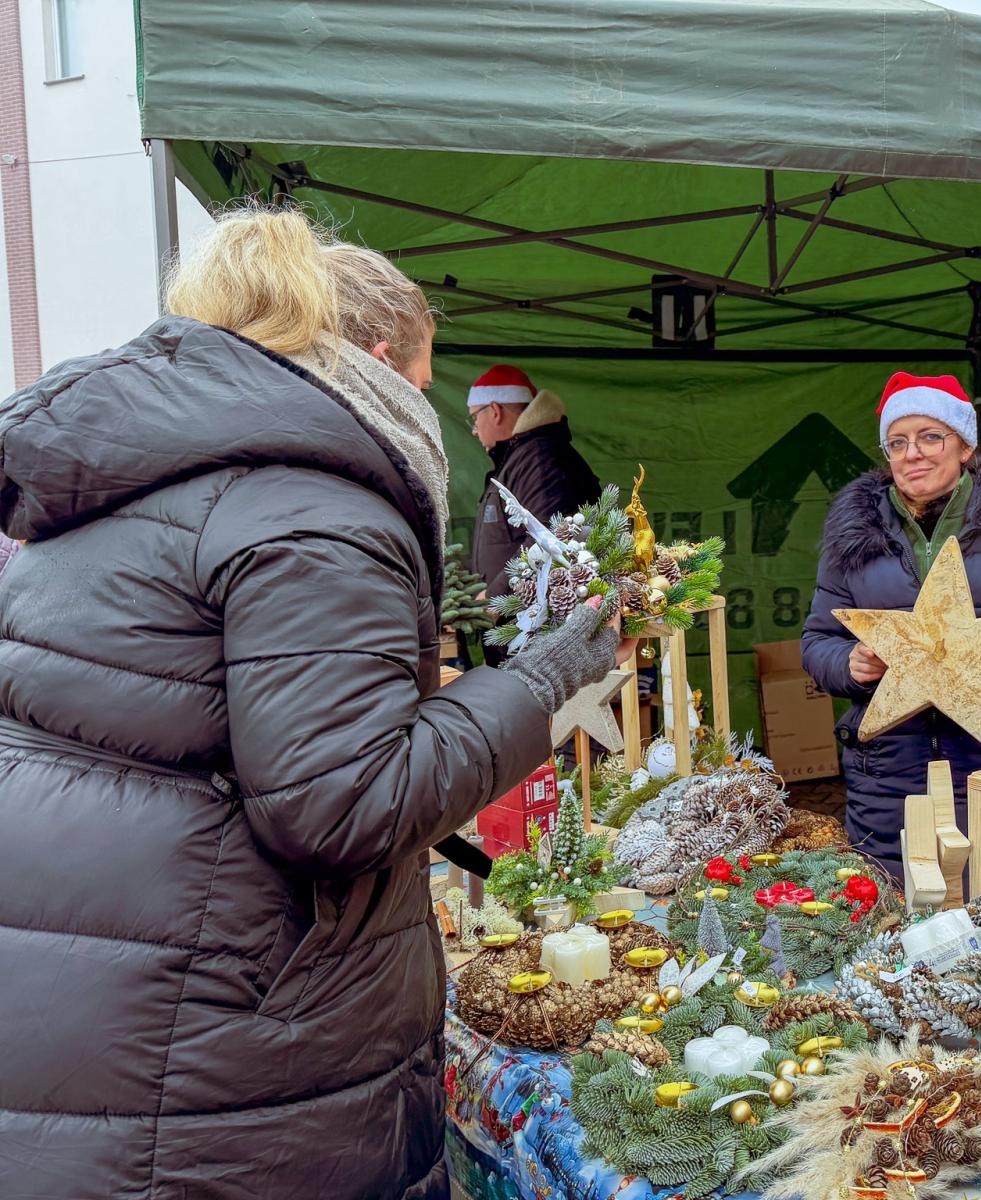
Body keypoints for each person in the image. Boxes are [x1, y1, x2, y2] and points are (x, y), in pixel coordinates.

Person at [0, 207, 630, 1200]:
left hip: (98, 1012)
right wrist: (550, 674)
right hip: (231, 1064)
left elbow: (216, 719)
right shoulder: (317, 508)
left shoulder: (136, 476)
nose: (434, 410)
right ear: (376, 358)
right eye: (426, 382)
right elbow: (340, 804)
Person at [801, 372, 981, 896]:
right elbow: (817, 643)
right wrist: (853, 665)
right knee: (895, 928)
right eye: (898, 441)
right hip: (888, 773)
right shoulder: (850, 539)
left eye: (931, 436)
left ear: (965, 446)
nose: (913, 453)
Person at [469, 363, 602, 607]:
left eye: (475, 417)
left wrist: (495, 597)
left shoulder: (537, 459)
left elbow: (547, 535)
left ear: (495, 411)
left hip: (532, 622)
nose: (475, 431)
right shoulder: (521, 457)